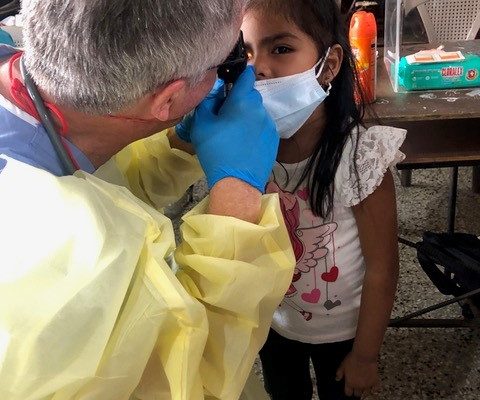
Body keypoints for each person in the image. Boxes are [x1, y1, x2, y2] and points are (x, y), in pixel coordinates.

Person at [0, 1, 295, 399]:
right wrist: (237, 195)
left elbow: (103, 177)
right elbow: (190, 379)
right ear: (168, 98)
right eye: (228, 59)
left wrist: (176, 142)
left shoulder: (32, 86)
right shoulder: (80, 266)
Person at [240, 0, 406, 399]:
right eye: (246, 51)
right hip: (277, 327)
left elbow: (383, 267)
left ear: (329, 65)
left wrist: (366, 356)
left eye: (280, 49)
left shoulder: (360, 156)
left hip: (343, 333)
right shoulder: (246, 152)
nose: (257, 68)